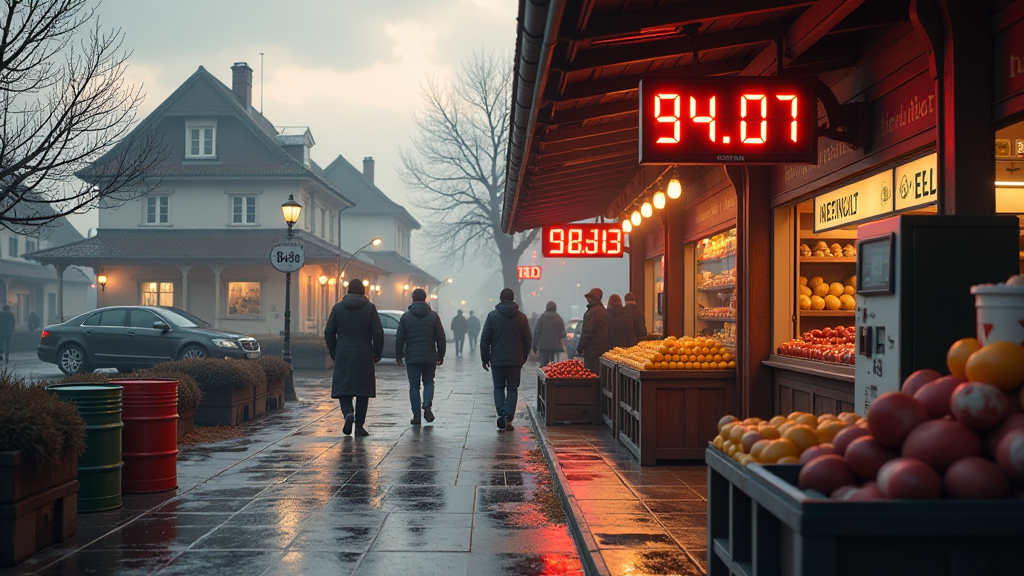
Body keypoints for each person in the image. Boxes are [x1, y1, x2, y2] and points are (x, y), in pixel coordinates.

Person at [324, 279, 383, 437]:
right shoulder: (370, 309)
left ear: (347, 291)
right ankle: (359, 425)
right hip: (364, 352)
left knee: (343, 388)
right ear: (363, 292)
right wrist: (377, 353)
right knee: (363, 390)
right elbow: (378, 333)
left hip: (343, 352)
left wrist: (335, 351)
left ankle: (348, 413)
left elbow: (329, 332)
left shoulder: (338, 308)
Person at [480, 288, 531, 432]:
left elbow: (485, 338)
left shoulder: (492, 316)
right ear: (513, 298)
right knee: (512, 388)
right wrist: (524, 356)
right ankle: (508, 417)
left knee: (498, 387)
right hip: (515, 358)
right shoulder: (522, 317)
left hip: (497, 359)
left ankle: (502, 413)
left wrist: (485, 357)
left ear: (501, 298)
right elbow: (527, 339)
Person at [396, 288, 446, 426]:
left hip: (412, 356)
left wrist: (398, 354)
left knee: (414, 386)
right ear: (425, 299)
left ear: (412, 299)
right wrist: (441, 354)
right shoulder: (434, 316)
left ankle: (416, 415)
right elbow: (440, 336)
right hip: (429, 355)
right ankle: (427, 404)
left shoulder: (406, 317)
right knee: (429, 381)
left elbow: (400, 337)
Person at [576, 288, 609, 373]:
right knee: (599, 373)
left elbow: (586, 332)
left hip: (591, 350)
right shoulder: (603, 310)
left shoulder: (591, 313)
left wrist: (580, 347)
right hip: (602, 348)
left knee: (590, 374)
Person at [532, 301, 566, 366]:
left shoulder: (542, 318)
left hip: (543, 346)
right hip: (556, 347)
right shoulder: (559, 319)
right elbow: (563, 334)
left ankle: (543, 375)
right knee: (554, 367)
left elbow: (537, 332)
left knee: (543, 366)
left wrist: (534, 346)